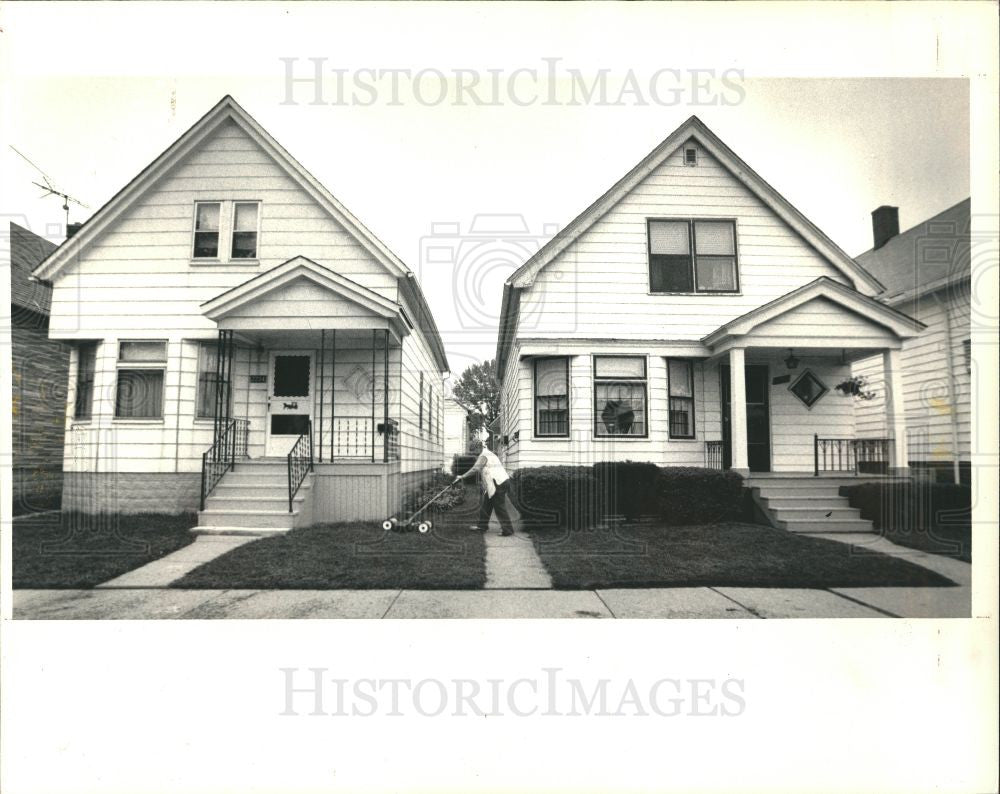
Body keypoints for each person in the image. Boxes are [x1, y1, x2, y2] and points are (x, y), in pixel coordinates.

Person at [454, 428, 516, 535]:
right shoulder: (486, 453)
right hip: (496, 482)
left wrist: (462, 477)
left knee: (499, 507)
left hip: (499, 483)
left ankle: (508, 530)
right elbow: (486, 472)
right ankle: (482, 527)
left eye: (474, 450)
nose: (473, 453)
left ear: (479, 447)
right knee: (486, 505)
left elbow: (476, 469)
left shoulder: (484, 455)